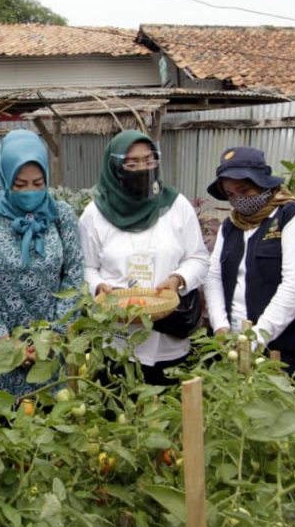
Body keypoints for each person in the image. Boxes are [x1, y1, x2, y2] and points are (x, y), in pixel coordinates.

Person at [80, 130, 209, 384]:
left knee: (170, 415)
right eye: (132, 163)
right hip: (118, 341)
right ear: (114, 167)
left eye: (149, 160)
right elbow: (87, 267)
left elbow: (198, 258)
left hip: (169, 337)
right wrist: (98, 287)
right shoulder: (94, 215)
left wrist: (177, 279)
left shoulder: (176, 206)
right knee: (120, 415)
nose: (142, 168)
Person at [0, 129, 84, 396]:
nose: (30, 191)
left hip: (49, 349)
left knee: (49, 419)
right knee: (0, 426)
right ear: (6, 179)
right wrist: (7, 343)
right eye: (20, 184)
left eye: (38, 183)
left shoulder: (60, 215)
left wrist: (53, 336)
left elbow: (74, 275)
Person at [202, 147, 295, 383]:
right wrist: (220, 328)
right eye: (230, 194)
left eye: (245, 190)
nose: (238, 199)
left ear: (265, 184)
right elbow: (214, 276)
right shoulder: (231, 226)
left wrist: (255, 338)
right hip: (232, 344)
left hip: (284, 350)